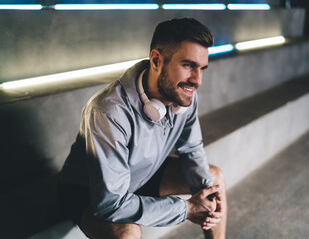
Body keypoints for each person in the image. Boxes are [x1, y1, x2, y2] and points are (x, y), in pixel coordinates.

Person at [58, 18, 227, 239]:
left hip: (143, 173)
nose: (197, 80)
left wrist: (207, 198)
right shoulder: (108, 111)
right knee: (127, 233)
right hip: (91, 192)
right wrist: (187, 208)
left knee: (213, 179)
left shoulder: (184, 95)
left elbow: (192, 150)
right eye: (188, 65)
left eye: (201, 68)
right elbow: (111, 203)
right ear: (156, 60)